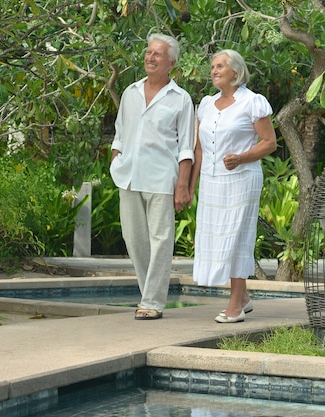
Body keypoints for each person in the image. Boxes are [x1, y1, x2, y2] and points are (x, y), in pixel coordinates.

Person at [110, 33, 195, 320]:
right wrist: (115, 160)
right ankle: (149, 294)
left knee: (161, 240)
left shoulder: (181, 99)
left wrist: (183, 185)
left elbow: (186, 147)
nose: (150, 57)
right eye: (148, 52)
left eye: (157, 54)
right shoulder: (129, 93)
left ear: (171, 62)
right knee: (133, 240)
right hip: (129, 176)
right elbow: (119, 135)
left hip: (162, 178)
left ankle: (153, 302)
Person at [189, 49, 277, 323]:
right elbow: (199, 149)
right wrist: (190, 186)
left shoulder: (253, 102)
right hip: (212, 183)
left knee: (236, 237)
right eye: (212, 67)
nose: (214, 71)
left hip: (242, 179)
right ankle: (245, 297)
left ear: (235, 73)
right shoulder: (205, 104)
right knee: (217, 238)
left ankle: (235, 304)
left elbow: (269, 142)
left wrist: (242, 158)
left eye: (220, 66)